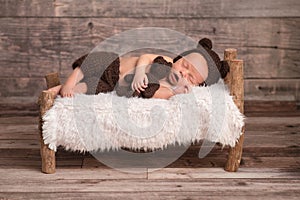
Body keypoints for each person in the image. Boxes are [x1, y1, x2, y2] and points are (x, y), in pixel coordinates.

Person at [49, 38, 229, 99]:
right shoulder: (165, 61)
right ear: (180, 57)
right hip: (114, 65)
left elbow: (159, 91)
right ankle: (69, 83)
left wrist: (182, 89)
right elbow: (145, 57)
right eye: (185, 65)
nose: (184, 72)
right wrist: (140, 73)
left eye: (191, 77)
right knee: (91, 64)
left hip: (113, 85)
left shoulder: (173, 85)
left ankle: (64, 90)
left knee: (92, 87)